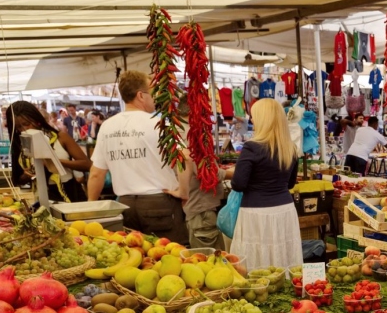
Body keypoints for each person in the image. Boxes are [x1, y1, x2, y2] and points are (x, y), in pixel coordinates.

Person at [87, 71, 188, 244]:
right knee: (170, 257)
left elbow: (96, 174)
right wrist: (183, 192)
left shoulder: (107, 127)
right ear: (141, 96)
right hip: (160, 204)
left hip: (125, 205)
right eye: (153, 93)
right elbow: (185, 158)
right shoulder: (159, 125)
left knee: (136, 260)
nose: (155, 98)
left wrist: (91, 207)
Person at [230, 99, 303, 270]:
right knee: (284, 256)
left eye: (254, 116)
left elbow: (238, 184)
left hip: (255, 212)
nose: (253, 120)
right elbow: (290, 183)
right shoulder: (290, 148)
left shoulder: (251, 148)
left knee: (256, 260)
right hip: (284, 210)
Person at [6, 101, 90, 202]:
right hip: (42, 199)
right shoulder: (19, 144)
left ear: (36, 119)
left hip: (70, 195)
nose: (24, 129)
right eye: (19, 127)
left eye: (27, 124)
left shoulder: (60, 137)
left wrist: (55, 161)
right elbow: (18, 180)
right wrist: (26, 175)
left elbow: (87, 164)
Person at [177, 106, 233, 249]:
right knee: (212, 260)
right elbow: (208, 173)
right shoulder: (192, 136)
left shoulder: (175, 133)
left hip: (190, 206)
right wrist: (233, 173)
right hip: (200, 209)